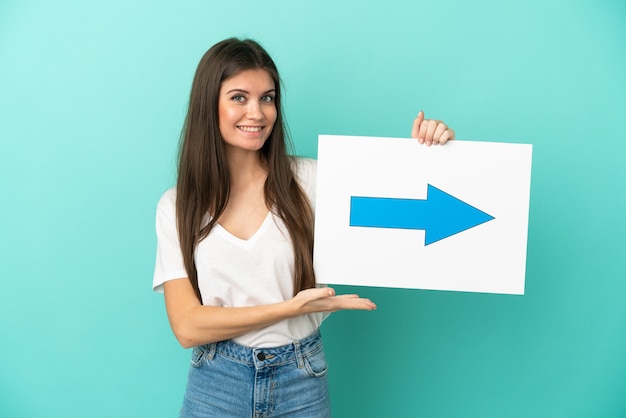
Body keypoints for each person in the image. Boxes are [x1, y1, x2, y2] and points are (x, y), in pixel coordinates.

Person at [153, 37, 455, 417]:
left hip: (301, 378)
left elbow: (401, 208)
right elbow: (188, 327)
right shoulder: (177, 205)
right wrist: (289, 308)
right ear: (208, 104)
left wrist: (429, 153)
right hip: (216, 382)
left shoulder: (311, 182)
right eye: (239, 97)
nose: (258, 113)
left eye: (267, 98)